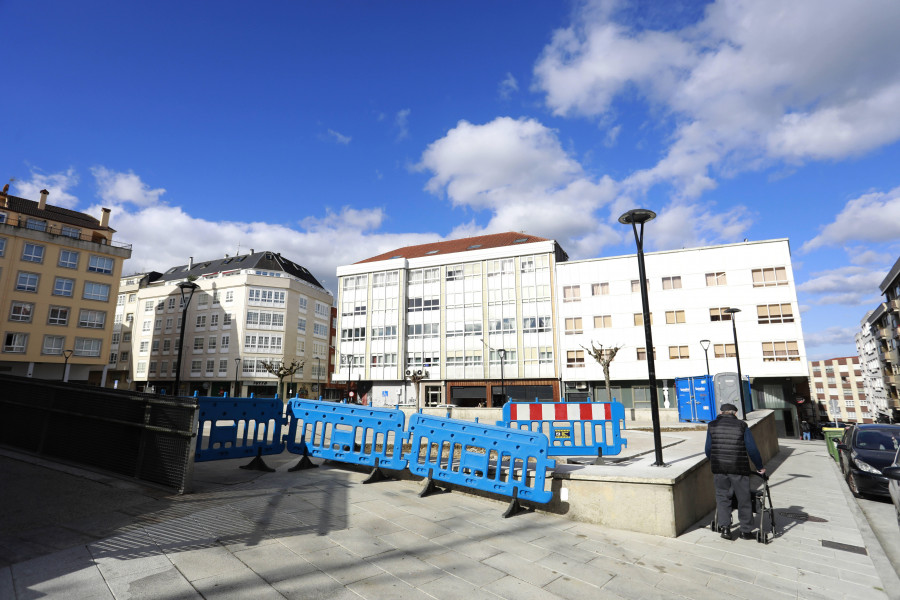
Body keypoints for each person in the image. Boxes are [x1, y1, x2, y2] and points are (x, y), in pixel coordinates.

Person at [705, 403, 766, 540]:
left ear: (721, 412)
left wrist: (714, 461)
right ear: (735, 413)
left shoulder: (712, 425)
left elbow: (708, 449)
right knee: (743, 498)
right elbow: (752, 449)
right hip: (739, 468)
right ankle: (745, 531)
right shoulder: (741, 425)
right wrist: (759, 466)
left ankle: (725, 528)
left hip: (719, 468)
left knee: (722, 497)